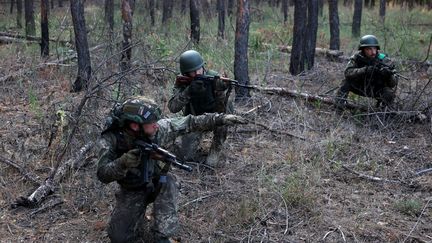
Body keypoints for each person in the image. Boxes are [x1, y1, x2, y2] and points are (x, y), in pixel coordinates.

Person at [96, 96, 246, 243]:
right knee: (118, 237)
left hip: (157, 182)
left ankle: (161, 235)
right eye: (151, 123)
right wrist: (122, 163)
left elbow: (190, 122)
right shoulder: (111, 139)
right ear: (135, 125)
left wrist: (219, 119)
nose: (156, 125)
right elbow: (102, 174)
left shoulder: (159, 130)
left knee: (169, 182)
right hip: (132, 190)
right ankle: (138, 219)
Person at [168, 50, 232, 166]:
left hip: (215, 119)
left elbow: (227, 112)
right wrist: (188, 91)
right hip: (194, 121)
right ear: (186, 74)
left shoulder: (213, 77)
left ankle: (216, 149)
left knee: (212, 163)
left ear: (203, 66)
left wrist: (220, 92)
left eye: (199, 69)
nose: (198, 73)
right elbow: (173, 107)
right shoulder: (183, 83)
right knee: (186, 158)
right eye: (193, 72)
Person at [335, 35, 399, 109]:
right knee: (346, 82)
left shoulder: (384, 60)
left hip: (376, 89)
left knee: (389, 93)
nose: (373, 52)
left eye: (374, 48)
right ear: (363, 49)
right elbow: (347, 72)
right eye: (369, 49)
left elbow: (393, 84)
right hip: (360, 87)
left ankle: (384, 113)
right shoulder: (357, 57)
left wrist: (388, 76)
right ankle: (339, 107)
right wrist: (365, 70)